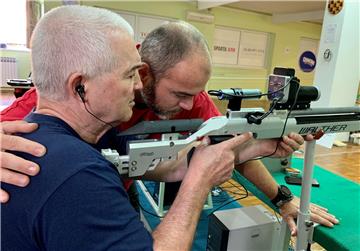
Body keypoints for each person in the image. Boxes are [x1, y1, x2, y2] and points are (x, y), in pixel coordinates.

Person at [0, 19, 338, 236]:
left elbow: (223, 145)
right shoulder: (70, 99)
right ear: (142, 74)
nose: (192, 105)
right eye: (180, 94)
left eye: (195, 93)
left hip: (117, 184)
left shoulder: (189, 96)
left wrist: (280, 195)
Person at [0, 6, 257, 250]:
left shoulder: (102, 133)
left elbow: (154, 165)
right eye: (129, 74)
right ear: (80, 86)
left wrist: (251, 149)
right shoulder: (77, 173)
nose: (137, 85)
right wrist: (198, 184)